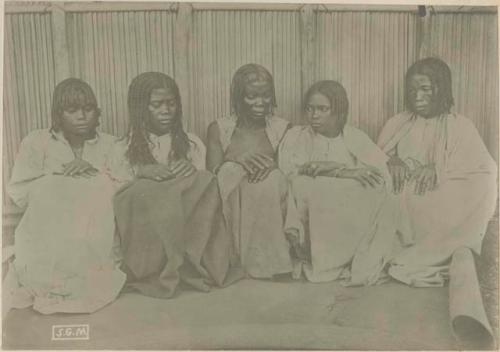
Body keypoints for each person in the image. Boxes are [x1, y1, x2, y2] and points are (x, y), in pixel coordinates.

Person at [108, 72, 242, 298]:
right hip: (150, 220)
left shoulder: (191, 143)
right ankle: (155, 268)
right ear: (141, 108)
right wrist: (142, 172)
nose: (166, 110)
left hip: (184, 214)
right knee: (144, 192)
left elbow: (204, 186)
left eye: (171, 103)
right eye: (157, 105)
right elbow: (118, 191)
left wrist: (191, 172)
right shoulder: (123, 148)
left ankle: (189, 263)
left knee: (205, 180)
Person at [5, 78, 125, 315]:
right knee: (55, 187)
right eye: (72, 110)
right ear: (58, 114)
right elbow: (19, 191)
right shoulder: (36, 142)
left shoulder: (112, 144)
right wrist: (61, 180)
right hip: (50, 228)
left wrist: (92, 172)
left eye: (88, 109)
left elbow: (125, 186)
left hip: (93, 229)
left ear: (96, 112)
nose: (82, 116)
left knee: (98, 186)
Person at [378, 58, 497, 286]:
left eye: (425, 89)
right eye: (412, 90)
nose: (417, 96)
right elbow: (375, 158)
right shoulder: (398, 123)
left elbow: (484, 171)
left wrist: (438, 169)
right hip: (403, 193)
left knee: (480, 185)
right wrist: (391, 160)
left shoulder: (460, 125)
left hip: (438, 195)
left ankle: (426, 254)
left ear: (441, 89)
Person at [279, 80, 397, 284]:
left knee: (373, 188)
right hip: (312, 204)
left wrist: (340, 173)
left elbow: (380, 175)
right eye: (310, 109)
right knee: (309, 186)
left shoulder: (354, 136)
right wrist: (341, 172)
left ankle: (347, 257)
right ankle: (320, 259)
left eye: (322, 109)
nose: (314, 115)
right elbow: (293, 173)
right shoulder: (296, 137)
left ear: (339, 111)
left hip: (347, 211)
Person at [206, 63, 302, 279]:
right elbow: (212, 173)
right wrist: (235, 161)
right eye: (252, 96)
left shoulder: (281, 128)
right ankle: (234, 257)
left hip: (267, 197)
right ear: (238, 97)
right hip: (233, 201)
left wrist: (273, 166)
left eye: (266, 95)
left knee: (274, 179)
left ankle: (273, 261)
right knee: (229, 171)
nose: (261, 103)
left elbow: (290, 171)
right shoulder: (219, 128)